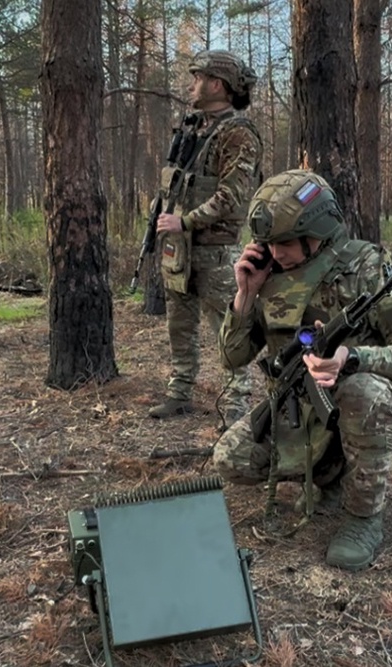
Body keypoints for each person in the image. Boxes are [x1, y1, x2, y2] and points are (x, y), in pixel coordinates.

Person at [213, 169, 392, 571]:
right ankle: (331, 478)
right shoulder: (269, 276)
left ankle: (363, 520)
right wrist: (245, 295)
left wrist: (355, 359)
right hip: (305, 406)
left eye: (283, 242)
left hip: (386, 404)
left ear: (317, 229)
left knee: (363, 393)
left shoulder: (368, 266)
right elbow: (231, 358)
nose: (275, 251)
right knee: (231, 457)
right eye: (268, 243)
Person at [148, 49, 263, 431]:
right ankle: (180, 390)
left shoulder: (238, 133)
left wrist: (186, 220)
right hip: (179, 246)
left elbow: (232, 195)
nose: (191, 84)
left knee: (227, 328)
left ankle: (236, 402)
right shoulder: (192, 128)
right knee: (178, 323)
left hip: (215, 249)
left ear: (217, 84)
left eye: (197, 77)